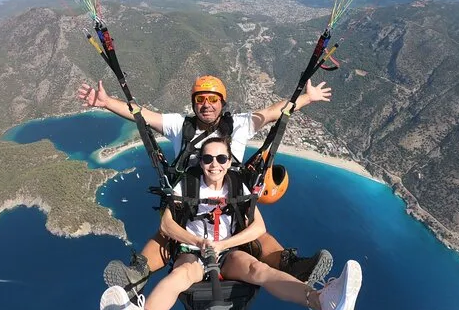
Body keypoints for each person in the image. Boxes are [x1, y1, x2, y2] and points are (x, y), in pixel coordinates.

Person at [100, 137, 363, 310]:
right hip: (193, 252)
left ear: (228, 162)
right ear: (200, 162)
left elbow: (258, 227)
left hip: (226, 252)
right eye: (207, 159)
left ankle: (322, 302)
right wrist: (197, 242)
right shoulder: (187, 185)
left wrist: (224, 244)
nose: (214, 164)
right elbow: (167, 225)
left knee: (258, 269)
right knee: (181, 275)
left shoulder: (238, 186)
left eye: (221, 158)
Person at [77, 75, 334, 296]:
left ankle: (294, 267)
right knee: (167, 235)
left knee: (257, 234)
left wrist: (307, 98)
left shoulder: (240, 125)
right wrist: (107, 102)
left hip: (230, 199)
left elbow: (272, 113)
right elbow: (142, 115)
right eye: (200, 99)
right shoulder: (180, 126)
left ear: (222, 103)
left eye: (213, 99)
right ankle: (135, 275)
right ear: (193, 103)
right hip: (187, 202)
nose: (206, 105)